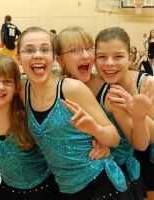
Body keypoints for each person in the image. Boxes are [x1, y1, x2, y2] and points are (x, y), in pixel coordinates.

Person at [16, 26, 133, 200]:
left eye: (45, 49)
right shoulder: (22, 91)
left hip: (102, 186)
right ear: (18, 57)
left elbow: (114, 138)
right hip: (65, 190)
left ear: (54, 57)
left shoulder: (72, 88)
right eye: (30, 50)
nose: (38, 55)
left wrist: (95, 129)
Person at [55, 26, 152, 200]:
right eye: (75, 50)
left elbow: (140, 143)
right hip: (73, 182)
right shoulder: (57, 86)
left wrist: (138, 117)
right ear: (60, 59)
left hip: (114, 178)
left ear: (129, 57)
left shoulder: (112, 92)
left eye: (88, 49)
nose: (84, 55)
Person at [0, 54, 61, 200]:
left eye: (7, 82)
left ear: (16, 87)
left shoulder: (28, 111)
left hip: (48, 188)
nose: (0, 87)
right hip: (10, 191)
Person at [95, 27, 154, 200]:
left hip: (144, 159)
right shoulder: (94, 83)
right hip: (108, 165)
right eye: (102, 57)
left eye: (118, 56)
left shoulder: (146, 83)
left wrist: (134, 110)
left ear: (130, 57)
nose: (109, 63)